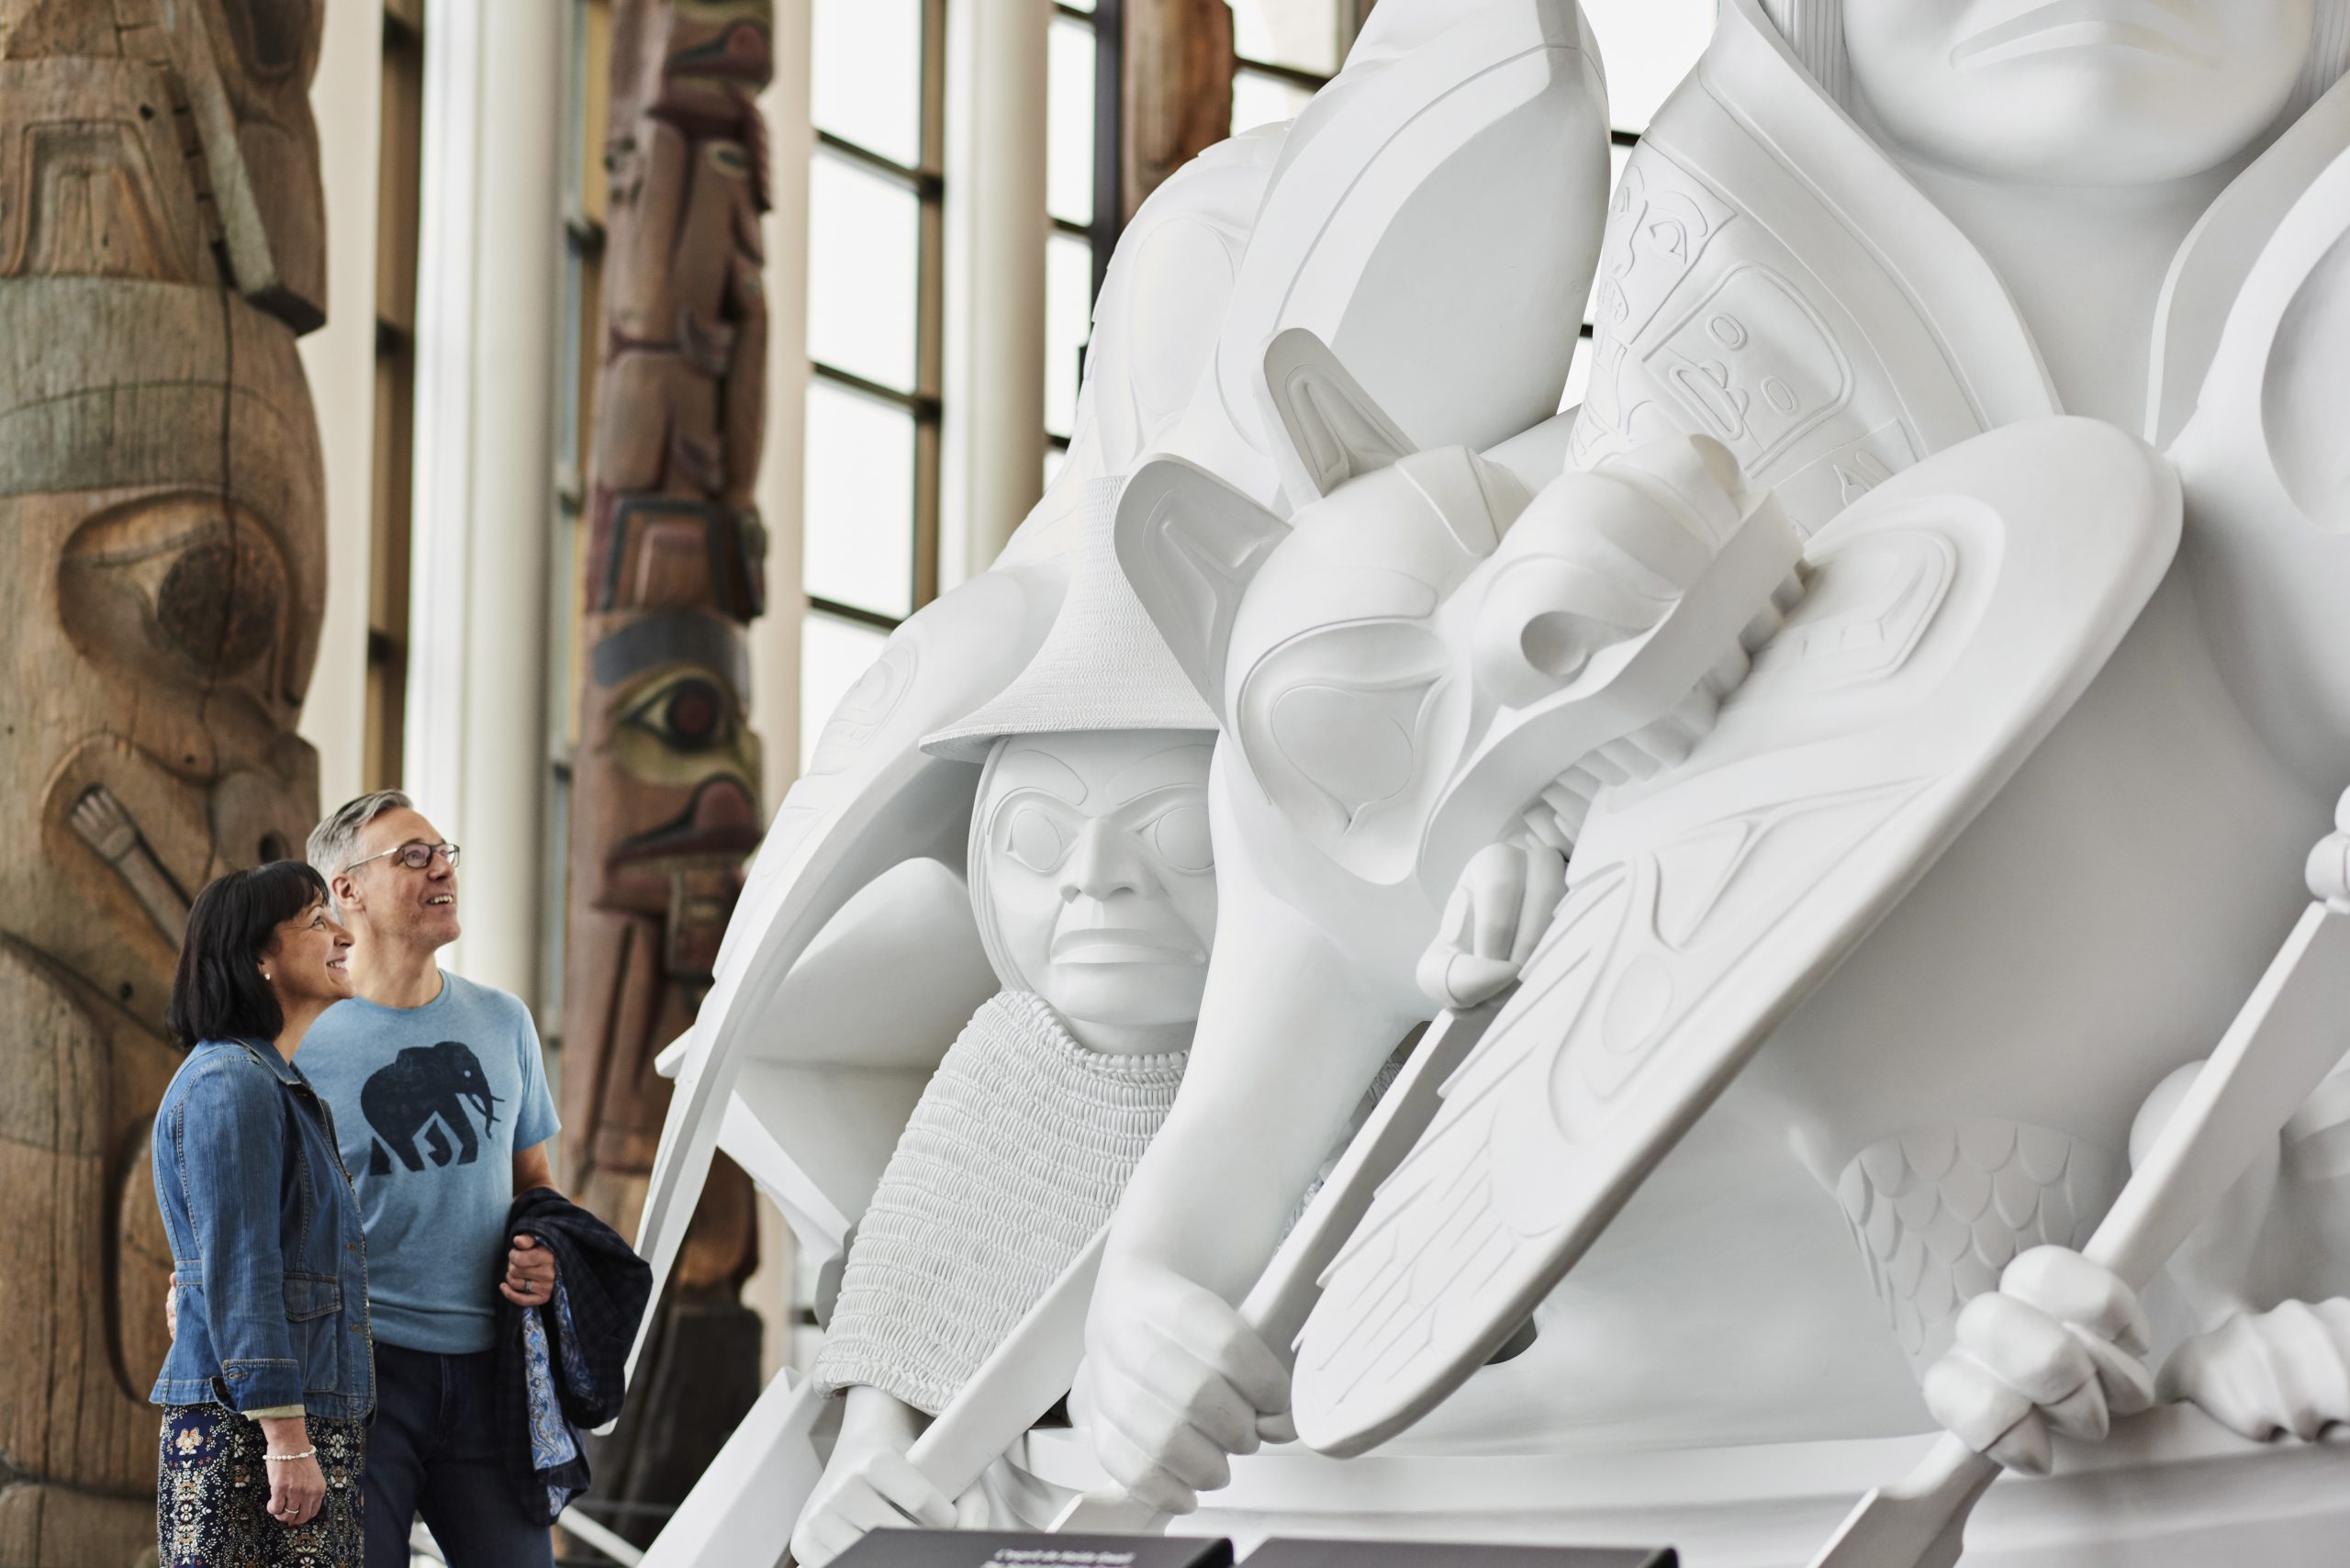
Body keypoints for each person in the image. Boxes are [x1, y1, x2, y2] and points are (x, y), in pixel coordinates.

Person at [298, 790, 565, 1568]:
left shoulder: (503, 1020)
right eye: (414, 856)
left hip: (490, 1374)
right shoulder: (304, 1040)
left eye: (445, 851)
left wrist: (544, 1250)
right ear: (347, 890)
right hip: (358, 1380)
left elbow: (535, 1182)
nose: (443, 867)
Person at [151, 862, 371, 1567]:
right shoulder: (232, 1084)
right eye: (317, 921)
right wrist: (288, 1443)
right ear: (258, 956)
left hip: (284, 1421)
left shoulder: (271, 1082)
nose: (343, 935)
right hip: (253, 1437)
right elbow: (244, 1272)